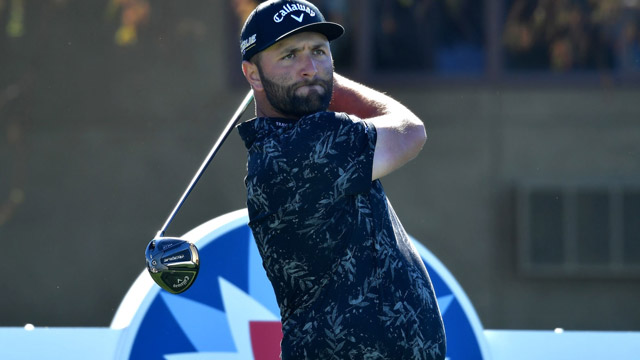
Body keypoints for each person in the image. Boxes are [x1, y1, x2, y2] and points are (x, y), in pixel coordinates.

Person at [236, 1, 446, 358]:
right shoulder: (305, 144)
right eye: (289, 55)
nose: (309, 67)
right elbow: (411, 131)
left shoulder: (294, 143)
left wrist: (313, 74)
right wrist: (325, 77)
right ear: (253, 74)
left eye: (319, 52)